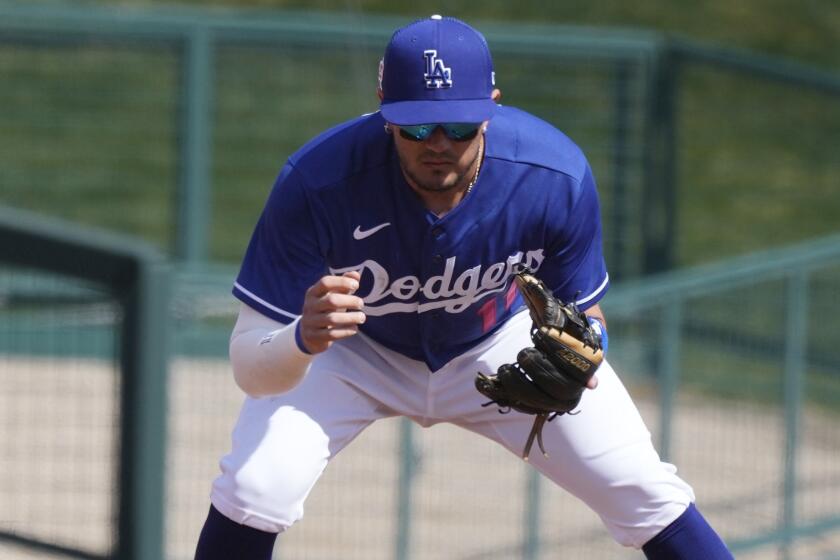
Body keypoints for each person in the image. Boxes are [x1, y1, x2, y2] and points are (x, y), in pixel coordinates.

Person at [194, 15, 733, 559]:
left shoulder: (552, 176)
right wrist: (302, 338)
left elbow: (587, 316)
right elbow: (250, 369)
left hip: (499, 341)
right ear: (384, 111)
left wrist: (589, 353)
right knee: (253, 489)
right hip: (356, 352)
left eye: (459, 126)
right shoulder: (318, 180)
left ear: (492, 107)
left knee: (645, 491)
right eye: (418, 128)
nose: (439, 145)